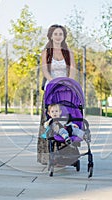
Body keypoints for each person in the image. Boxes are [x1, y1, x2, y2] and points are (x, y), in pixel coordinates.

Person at [37, 24, 76, 165]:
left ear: (64, 36)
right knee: (49, 120)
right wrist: (54, 82)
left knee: (65, 119)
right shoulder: (46, 52)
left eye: (61, 34)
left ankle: (67, 155)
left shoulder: (68, 53)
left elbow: (72, 70)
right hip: (51, 89)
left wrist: (68, 83)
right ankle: (47, 156)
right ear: (51, 36)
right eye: (56, 34)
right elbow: (45, 71)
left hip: (66, 90)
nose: (58, 36)